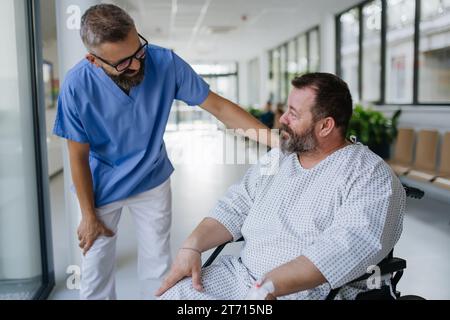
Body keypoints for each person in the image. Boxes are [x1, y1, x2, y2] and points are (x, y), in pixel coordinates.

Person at [53, 4, 275, 300]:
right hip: (102, 186)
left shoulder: (164, 62)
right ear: (94, 60)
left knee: (158, 267)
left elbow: (219, 107)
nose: (136, 65)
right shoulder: (76, 85)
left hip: (152, 179)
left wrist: (276, 141)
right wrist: (88, 214)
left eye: (138, 51)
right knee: (95, 273)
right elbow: (77, 156)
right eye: (122, 63)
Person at [156, 73, 406, 300]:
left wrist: (269, 286)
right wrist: (192, 246)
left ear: (326, 125)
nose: (282, 119)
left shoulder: (369, 175)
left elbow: (346, 247)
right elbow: (234, 206)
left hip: (307, 292)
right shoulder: (278, 158)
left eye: (293, 114)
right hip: (242, 277)